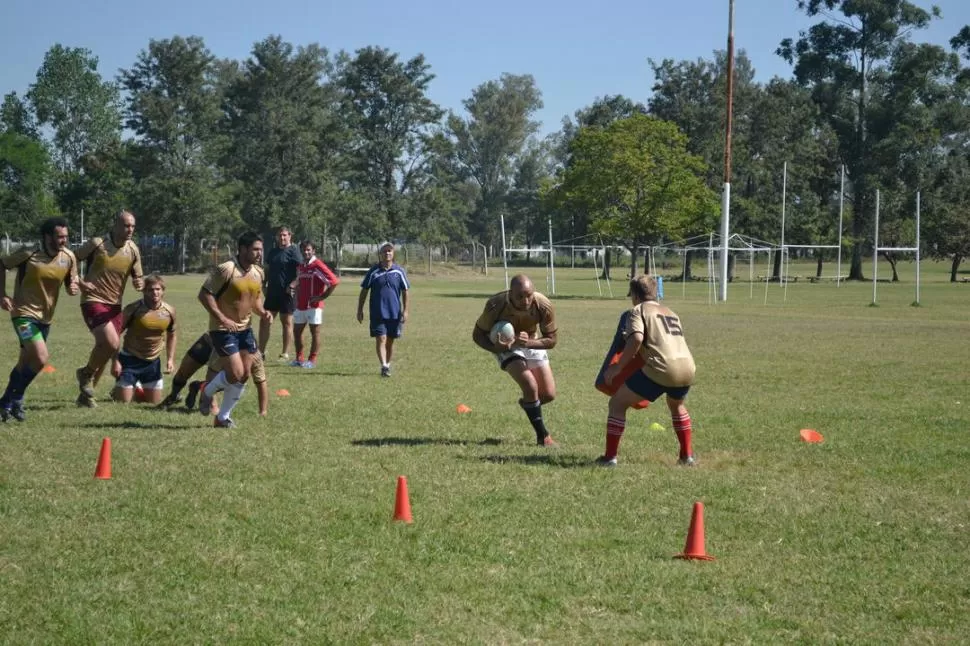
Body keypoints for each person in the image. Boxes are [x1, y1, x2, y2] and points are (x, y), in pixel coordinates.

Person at [598, 274, 696, 467]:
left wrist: (618, 367)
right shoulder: (670, 312)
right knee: (676, 405)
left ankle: (609, 458)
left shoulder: (637, 310)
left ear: (634, 294)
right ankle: (687, 457)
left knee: (617, 403)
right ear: (655, 291)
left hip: (662, 367)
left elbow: (636, 339)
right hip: (687, 368)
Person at [0, 217, 80, 422]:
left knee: (23, 364)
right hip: (23, 315)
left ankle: (5, 403)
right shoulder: (29, 253)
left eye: (66, 237)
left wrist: (73, 287)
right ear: (47, 236)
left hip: (46, 319)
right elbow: (2, 264)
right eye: (59, 236)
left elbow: (72, 282)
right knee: (41, 358)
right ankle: (17, 398)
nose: (64, 241)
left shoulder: (69, 257)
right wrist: (2, 295)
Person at [473, 274, 559, 447]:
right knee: (530, 385)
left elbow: (552, 340)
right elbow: (477, 335)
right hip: (505, 348)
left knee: (548, 395)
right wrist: (497, 348)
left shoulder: (543, 305)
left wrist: (528, 342)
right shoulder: (495, 304)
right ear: (510, 293)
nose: (525, 300)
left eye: (529, 295)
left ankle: (529, 403)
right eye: (519, 296)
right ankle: (543, 437)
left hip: (532, 342)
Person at [196, 231, 272, 427]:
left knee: (244, 374)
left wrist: (263, 312)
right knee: (236, 373)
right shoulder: (226, 269)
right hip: (222, 329)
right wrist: (221, 317)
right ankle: (206, 392)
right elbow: (204, 295)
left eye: (261, 250)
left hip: (245, 329)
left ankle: (222, 418)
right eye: (255, 249)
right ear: (243, 249)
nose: (259, 253)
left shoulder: (258, 272)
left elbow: (255, 299)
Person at [74, 210, 145, 407]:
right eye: (125, 225)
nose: (129, 229)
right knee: (111, 343)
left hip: (115, 306)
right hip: (92, 300)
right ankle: (86, 373)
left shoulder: (133, 250)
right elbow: (69, 259)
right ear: (115, 225)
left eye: (132, 226)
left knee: (105, 348)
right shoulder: (97, 244)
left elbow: (138, 275)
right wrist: (79, 282)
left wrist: (139, 282)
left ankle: (85, 397)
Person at [158, 332, 268, 416]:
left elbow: (261, 382)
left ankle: (198, 386)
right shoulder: (227, 350)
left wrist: (263, 411)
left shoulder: (255, 358)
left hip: (223, 349)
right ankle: (173, 396)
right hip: (209, 341)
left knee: (235, 379)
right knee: (183, 372)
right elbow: (212, 375)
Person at [109, 274, 176, 405]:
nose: (155, 292)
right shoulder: (133, 308)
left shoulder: (169, 311)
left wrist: (170, 359)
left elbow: (172, 334)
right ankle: (120, 390)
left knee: (154, 403)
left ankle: (137, 388)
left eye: (158, 289)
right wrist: (115, 361)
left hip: (152, 363)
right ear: (144, 291)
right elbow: (115, 334)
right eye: (150, 289)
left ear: (163, 291)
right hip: (129, 360)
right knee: (123, 402)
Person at [356, 242, 410, 377]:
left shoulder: (399, 271)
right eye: (384, 251)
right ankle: (384, 366)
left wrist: (405, 310)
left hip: (394, 313)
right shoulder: (373, 271)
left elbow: (405, 291)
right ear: (380, 254)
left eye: (389, 251)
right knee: (381, 338)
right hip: (377, 312)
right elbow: (364, 291)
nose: (387, 253)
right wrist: (360, 309)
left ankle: (388, 363)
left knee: (390, 341)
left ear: (393, 253)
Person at [291, 240, 340, 369]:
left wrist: (322, 296)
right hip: (301, 305)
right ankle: (299, 359)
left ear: (313, 251)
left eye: (308, 250)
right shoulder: (302, 266)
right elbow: (300, 282)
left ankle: (312, 360)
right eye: (303, 250)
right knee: (296, 332)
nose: (306, 252)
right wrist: (293, 288)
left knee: (315, 333)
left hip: (314, 306)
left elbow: (334, 281)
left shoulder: (317, 264)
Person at [258, 226, 302, 362]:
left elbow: (301, 272)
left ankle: (284, 353)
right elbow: (267, 269)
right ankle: (261, 352)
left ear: (290, 236)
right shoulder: (273, 252)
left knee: (286, 322)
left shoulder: (294, 251)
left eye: (284, 235)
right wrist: (263, 284)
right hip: (272, 292)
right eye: (280, 235)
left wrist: (293, 285)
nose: (282, 238)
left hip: (287, 293)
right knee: (265, 320)